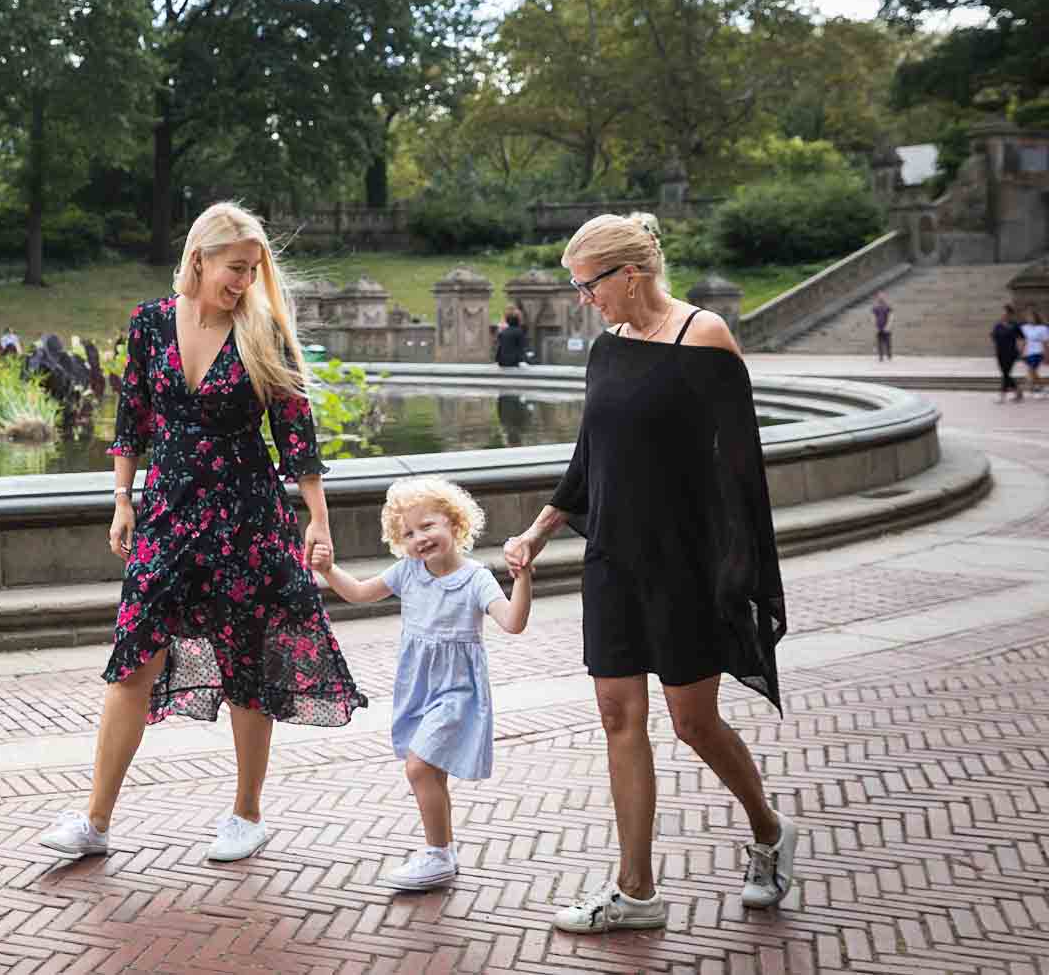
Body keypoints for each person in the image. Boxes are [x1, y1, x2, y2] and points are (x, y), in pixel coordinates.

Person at [39, 201, 365, 864]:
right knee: (132, 658)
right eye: (235, 267)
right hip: (166, 513)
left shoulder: (262, 330)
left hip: (245, 515)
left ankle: (247, 813)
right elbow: (132, 418)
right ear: (199, 257)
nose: (244, 280)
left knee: (247, 661)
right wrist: (122, 500)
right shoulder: (151, 322)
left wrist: (319, 519)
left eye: (252, 269)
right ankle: (96, 820)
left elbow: (296, 433)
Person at [503, 211, 792, 934]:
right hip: (612, 560)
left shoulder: (706, 340)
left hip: (685, 564)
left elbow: (741, 471)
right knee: (616, 714)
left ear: (630, 273)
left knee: (693, 721)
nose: (582, 299)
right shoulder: (607, 349)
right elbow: (589, 458)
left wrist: (736, 567)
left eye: (588, 283)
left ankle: (767, 829)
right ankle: (636, 891)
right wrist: (541, 529)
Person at [310, 477, 532, 890]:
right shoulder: (408, 572)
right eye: (408, 533)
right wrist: (327, 570)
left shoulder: (475, 579)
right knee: (431, 774)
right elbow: (359, 593)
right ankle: (442, 852)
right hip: (418, 687)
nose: (419, 539)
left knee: (418, 767)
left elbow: (513, 622)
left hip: (457, 691)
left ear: (453, 522)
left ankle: (436, 855)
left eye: (427, 526)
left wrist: (523, 579)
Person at [993, 305, 1023, 402]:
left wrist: (1021, 350)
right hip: (1000, 353)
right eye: (1003, 313)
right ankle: (1018, 391)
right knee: (1005, 373)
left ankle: (1002, 396)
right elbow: (994, 337)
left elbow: (1022, 338)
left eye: (1006, 313)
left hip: (1011, 353)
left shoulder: (1015, 325)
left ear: (1010, 314)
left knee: (1006, 373)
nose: (1004, 315)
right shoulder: (998, 325)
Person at [1022, 305, 1048, 397]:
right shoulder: (1024, 328)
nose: (1029, 318)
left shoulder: (1043, 328)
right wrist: (1022, 351)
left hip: (1038, 352)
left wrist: (1046, 356)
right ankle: (1038, 389)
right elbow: (1023, 340)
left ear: (1036, 317)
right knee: (1033, 371)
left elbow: (1045, 343)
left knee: (1032, 370)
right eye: (1028, 317)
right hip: (1028, 352)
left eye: (1031, 317)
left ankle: (1037, 388)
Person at [871, 292, 893, 362]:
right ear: (877, 298)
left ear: (885, 297)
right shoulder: (875, 307)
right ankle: (881, 356)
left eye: (882, 296)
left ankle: (889, 355)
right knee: (879, 342)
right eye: (879, 296)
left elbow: (891, 316)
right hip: (879, 326)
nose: (881, 298)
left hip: (886, 327)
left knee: (888, 342)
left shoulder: (888, 307)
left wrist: (888, 325)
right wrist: (875, 326)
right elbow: (873, 317)